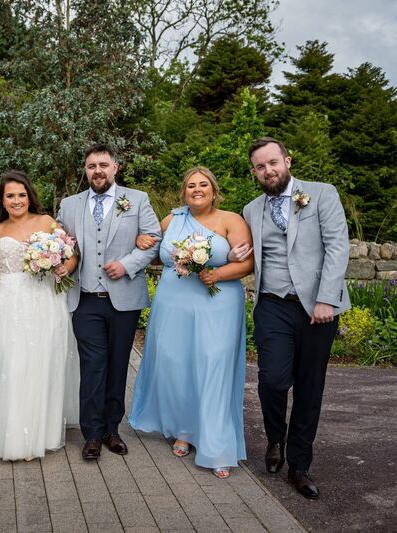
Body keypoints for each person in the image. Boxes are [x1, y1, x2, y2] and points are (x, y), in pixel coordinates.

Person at [241, 137, 349, 499]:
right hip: (272, 304)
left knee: (309, 386)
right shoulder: (251, 209)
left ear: (287, 160)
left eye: (273, 162)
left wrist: (325, 298)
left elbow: (337, 245)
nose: (268, 170)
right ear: (254, 172)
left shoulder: (322, 193)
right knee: (272, 379)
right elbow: (249, 253)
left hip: (317, 308)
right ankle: (275, 438)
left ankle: (299, 465)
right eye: (260, 166)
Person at [129, 167, 253, 478]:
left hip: (218, 302)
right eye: (190, 186)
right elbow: (156, 253)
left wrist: (218, 273)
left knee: (213, 365)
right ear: (184, 192)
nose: (197, 190)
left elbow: (248, 263)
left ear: (214, 189)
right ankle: (184, 429)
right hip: (173, 302)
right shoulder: (172, 219)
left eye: (203, 185)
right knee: (178, 364)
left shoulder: (232, 220)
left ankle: (216, 445)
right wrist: (142, 239)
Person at [56, 143, 161, 460]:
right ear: (85, 170)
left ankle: (112, 430)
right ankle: (91, 433)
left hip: (124, 299)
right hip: (85, 298)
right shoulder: (70, 204)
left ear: (115, 168)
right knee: (92, 366)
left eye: (103, 164)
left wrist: (127, 264)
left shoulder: (137, 200)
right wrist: (54, 256)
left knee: (117, 366)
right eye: (91, 166)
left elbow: (153, 240)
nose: (97, 170)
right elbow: (59, 240)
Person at [0, 170, 80, 461]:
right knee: (8, 362)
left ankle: (38, 433)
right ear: (2, 200)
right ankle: (8, 432)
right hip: (6, 303)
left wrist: (63, 268)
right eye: (10, 196)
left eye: (21, 194)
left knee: (41, 362)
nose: (16, 200)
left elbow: (71, 255)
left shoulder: (46, 222)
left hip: (44, 301)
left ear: (29, 196)